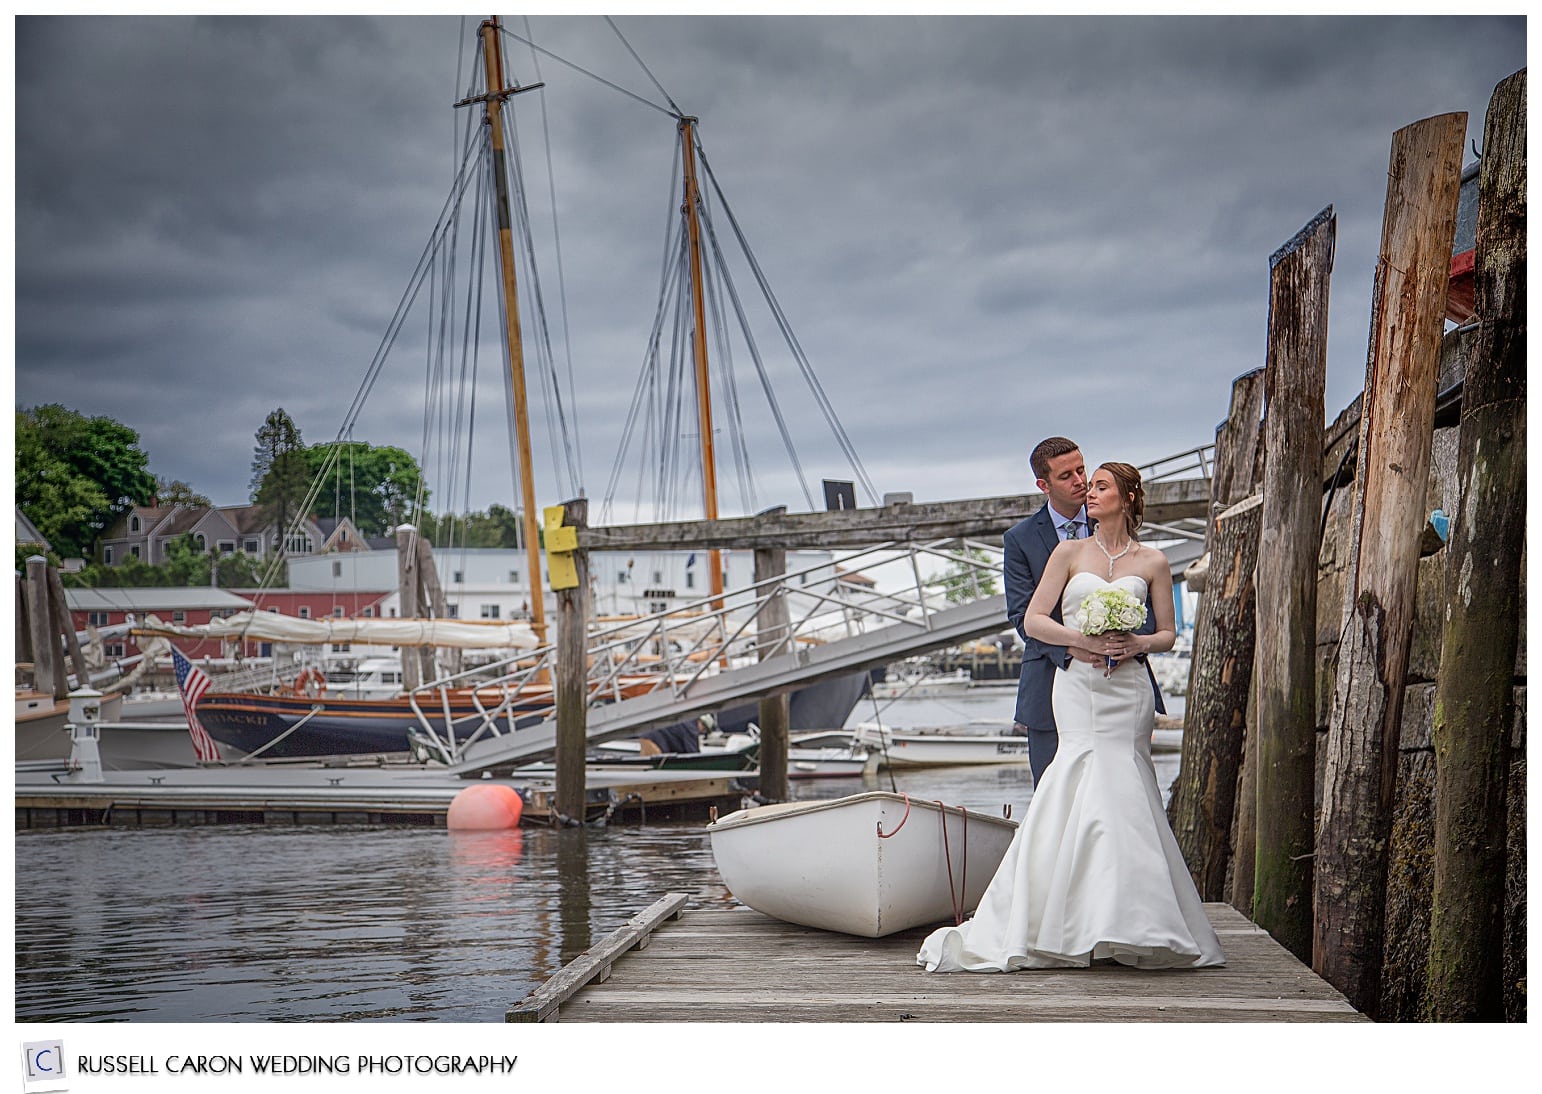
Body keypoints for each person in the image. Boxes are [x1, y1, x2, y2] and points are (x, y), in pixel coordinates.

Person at [917, 462, 1224, 972]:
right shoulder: (1068, 552)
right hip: (1077, 686)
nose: (1089, 491)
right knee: (1072, 780)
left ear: (1126, 498)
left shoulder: (1153, 560)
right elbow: (1036, 618)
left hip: (1128, 689)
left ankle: (1133, 923)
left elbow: (1167, 634)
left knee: (1127, 789)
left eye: (1100, 485)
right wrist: (1080, 640)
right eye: (1087, 483)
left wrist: (1136, 642)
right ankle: (1061, 921)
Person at [1003, 437, 1164, 785]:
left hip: (1120, 681)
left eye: (1082, 470)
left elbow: (1146, 602)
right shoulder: (1020, 540)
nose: (1080, 481)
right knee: (1054, 792)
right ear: (1043, 485)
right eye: (1066, 476)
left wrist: (1126, 639)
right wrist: (1072, 648)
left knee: (1124, 786)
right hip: (1052, 684)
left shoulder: (1112, 518)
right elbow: (1021, 615)